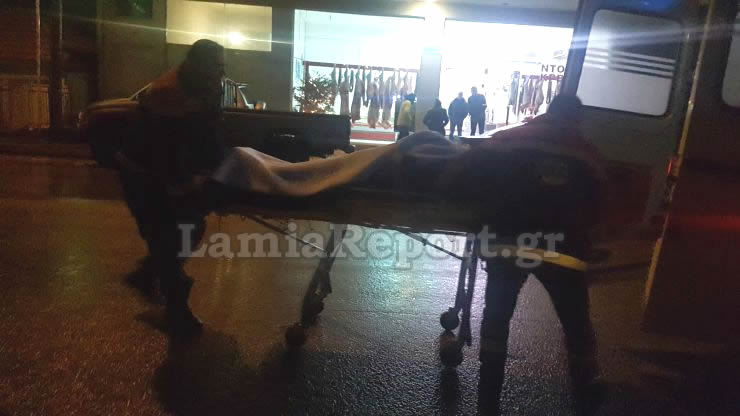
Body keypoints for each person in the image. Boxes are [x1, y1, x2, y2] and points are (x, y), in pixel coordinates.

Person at [472, 95, 607, 414]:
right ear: (576, 119)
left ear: (549, 112)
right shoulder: (586, 152)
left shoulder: (507, 139)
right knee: (575, 320)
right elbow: (601, 202)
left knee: (497, 316)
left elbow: (471, 175)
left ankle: (488, 391)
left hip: (508, 241)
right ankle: (585, 387)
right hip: (563, 249)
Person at [117, 39, 228, 337]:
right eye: (216, 65)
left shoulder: (205, 87)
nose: (221, 71)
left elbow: (209, 133)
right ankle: (177, 312)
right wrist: (179, 183)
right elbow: (162, 148)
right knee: (168, 236)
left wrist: (215, 166)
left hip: (168, 169)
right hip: (142, 174)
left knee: (188, 228)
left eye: (222, 65)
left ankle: (148, 273)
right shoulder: (168, 94)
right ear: (199, 65)